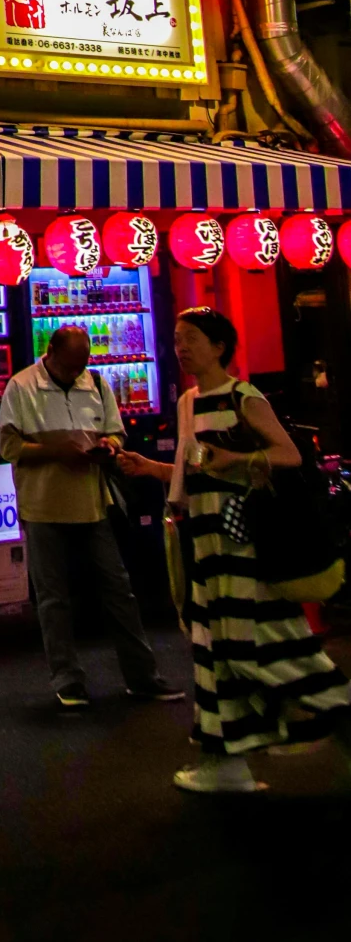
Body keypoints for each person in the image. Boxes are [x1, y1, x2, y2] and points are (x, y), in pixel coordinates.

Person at [119, 305, 351, 794]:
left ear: (220, 346)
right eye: (178, 339)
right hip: (204, 546)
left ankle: (329, 712)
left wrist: (236, 459)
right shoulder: (186, 402)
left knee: (256, 643)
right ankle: (227, 759)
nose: (181, 348)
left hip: (242, 544)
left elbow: (288, 454)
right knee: (215, 651)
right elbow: (191, 474)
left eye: (191, 339)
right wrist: (150, 468)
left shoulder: (244, 396)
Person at [0, 322, 180, 713]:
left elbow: (117, 433)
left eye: (81, 366)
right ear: (50, 354)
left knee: (120, 591)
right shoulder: (21, 386)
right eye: (68, 367)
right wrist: (56, 450)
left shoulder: (95, 383)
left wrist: (107, 447)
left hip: (93, 503)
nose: (75, 373)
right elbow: (9, 446)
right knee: (53, 598)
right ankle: (68, 680)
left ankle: (142, 676)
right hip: (42, 506)